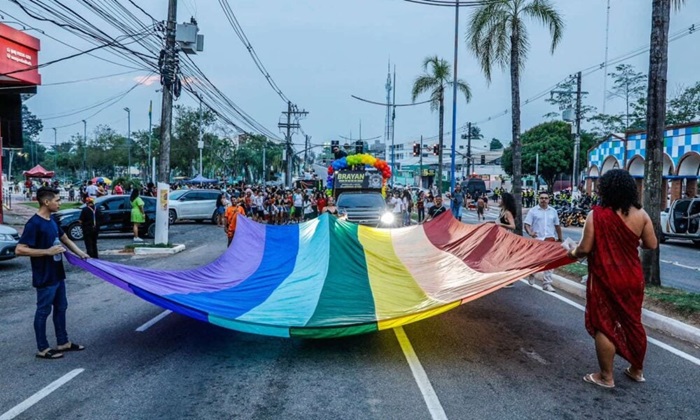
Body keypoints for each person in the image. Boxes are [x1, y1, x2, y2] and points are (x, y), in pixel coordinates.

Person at [567, 169, 657, 389]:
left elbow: (585, 248)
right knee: (633, 322)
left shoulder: (596, 215)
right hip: (632, 277)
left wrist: (571, 253)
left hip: (606, 277)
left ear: (605, 190)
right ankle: (637, 370)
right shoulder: (641, 215)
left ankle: (606, 377)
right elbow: (651, 244)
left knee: (604, 325)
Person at [16, 187, 90, 360]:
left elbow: (65, 239)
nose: (60, 203)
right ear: (46, 202)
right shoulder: (34, 224)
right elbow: (20, 250)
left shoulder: (52, 220)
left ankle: (63, 342)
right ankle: (42, 348)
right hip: (45, 276)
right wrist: (47, 252)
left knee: (61, 308)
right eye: (57, 200)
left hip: (58, 274)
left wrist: (81, 253)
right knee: (43, 311)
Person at [524, 191, 563, 292]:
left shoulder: (553, 211)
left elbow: (557, 225)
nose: (543, 200)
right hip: (538, 240)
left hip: (550, 239)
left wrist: (560, 238)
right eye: (542, 198)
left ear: (549, 199)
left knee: (550, 262)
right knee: (537, 261)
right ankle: (532, 273)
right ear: (538, 199)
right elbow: (527, 224)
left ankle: (547, 284)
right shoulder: (533, 211)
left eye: (546, 198)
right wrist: (530, 233)